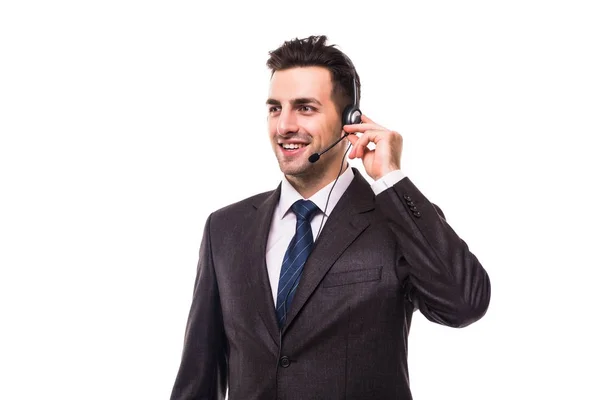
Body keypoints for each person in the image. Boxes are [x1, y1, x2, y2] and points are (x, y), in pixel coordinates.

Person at [169, 35, 491, 400]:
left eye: (305, 108)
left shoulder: (396, 220)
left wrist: (391, 178)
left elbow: (465, 304)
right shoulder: (224, 228)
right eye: (275, 108)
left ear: (349, 121)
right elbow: (198, 377)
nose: (284, 126)